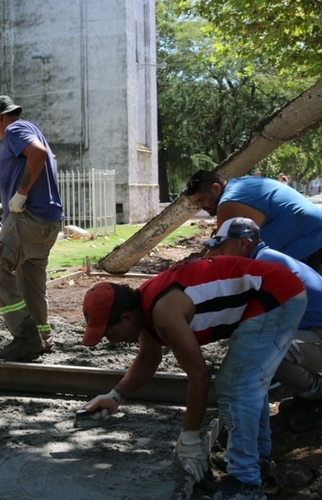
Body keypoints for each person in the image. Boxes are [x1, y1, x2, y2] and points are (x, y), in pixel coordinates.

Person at [81, 257, 307, 500]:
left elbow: (199, 375)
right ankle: (257, 458)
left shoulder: (164, 314)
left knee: (235, 385)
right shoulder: (143, 309)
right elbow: (148, 360)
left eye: (110, 334)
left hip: (276, 297)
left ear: (126, 318)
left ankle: (245, 483)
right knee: (246, 380)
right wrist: (115, 397)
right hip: (273, 293)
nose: (111, 341)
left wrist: (190, 436)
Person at [204, 217, 322, 432]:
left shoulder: (263, 264)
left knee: (270, 352)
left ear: (243, 243)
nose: (220, 252)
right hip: (313, 332)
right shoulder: (264, 257)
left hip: (318, 335)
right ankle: (308, 394)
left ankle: (317, 396)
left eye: (223, 246)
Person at [0, 95, 64, 362]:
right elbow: (38, 159)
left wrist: (21, 193)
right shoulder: (31, 130)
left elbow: (37, 154)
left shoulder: (14, 130)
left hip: (29, 219)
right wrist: (5, 206)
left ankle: (24, 337)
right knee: (31, 282)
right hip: (47, 222)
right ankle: (42, 337)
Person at [184, 169, 322, 272]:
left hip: (310, 241)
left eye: (202, 199)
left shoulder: (228, 203)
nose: (201, 206)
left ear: (216, 188)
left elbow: (219, 255)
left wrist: (188, 274)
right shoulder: (241, 184)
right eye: (197, 203)